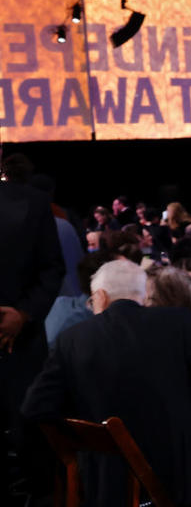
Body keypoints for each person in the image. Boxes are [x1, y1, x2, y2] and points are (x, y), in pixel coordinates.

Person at [21, 259, 191, 506]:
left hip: (109, 483)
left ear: (100, 296)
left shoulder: (72, 339)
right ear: (144, 296)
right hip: (187, 475)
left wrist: (84, 430)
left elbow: (35, 408)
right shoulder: (178, 322)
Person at [0, 177, 65, 502]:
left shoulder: (33, 202)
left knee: (29, 443)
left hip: (21, 345)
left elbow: (53, 269)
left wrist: (23, 315)